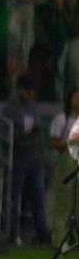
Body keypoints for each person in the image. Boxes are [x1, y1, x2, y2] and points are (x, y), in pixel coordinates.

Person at [2, 74, 51, 244]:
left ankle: (43, 234)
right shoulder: (10, 108)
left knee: (38, 197)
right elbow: (7, 135)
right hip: (18, 158)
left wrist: (25, 133)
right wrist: (24, 133)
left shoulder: (33, 106)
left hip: (35, 158)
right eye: (27, 91)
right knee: (13, 198)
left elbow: (36, 130)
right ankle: (11, 234)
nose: (30, 95)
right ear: (19, 90)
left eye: (32, 92)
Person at [48, 87, 79, 243]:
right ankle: (60, 240)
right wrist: (69, 144)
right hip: (67, 162)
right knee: (64, 203)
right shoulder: (61, 119)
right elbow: (53, 141)